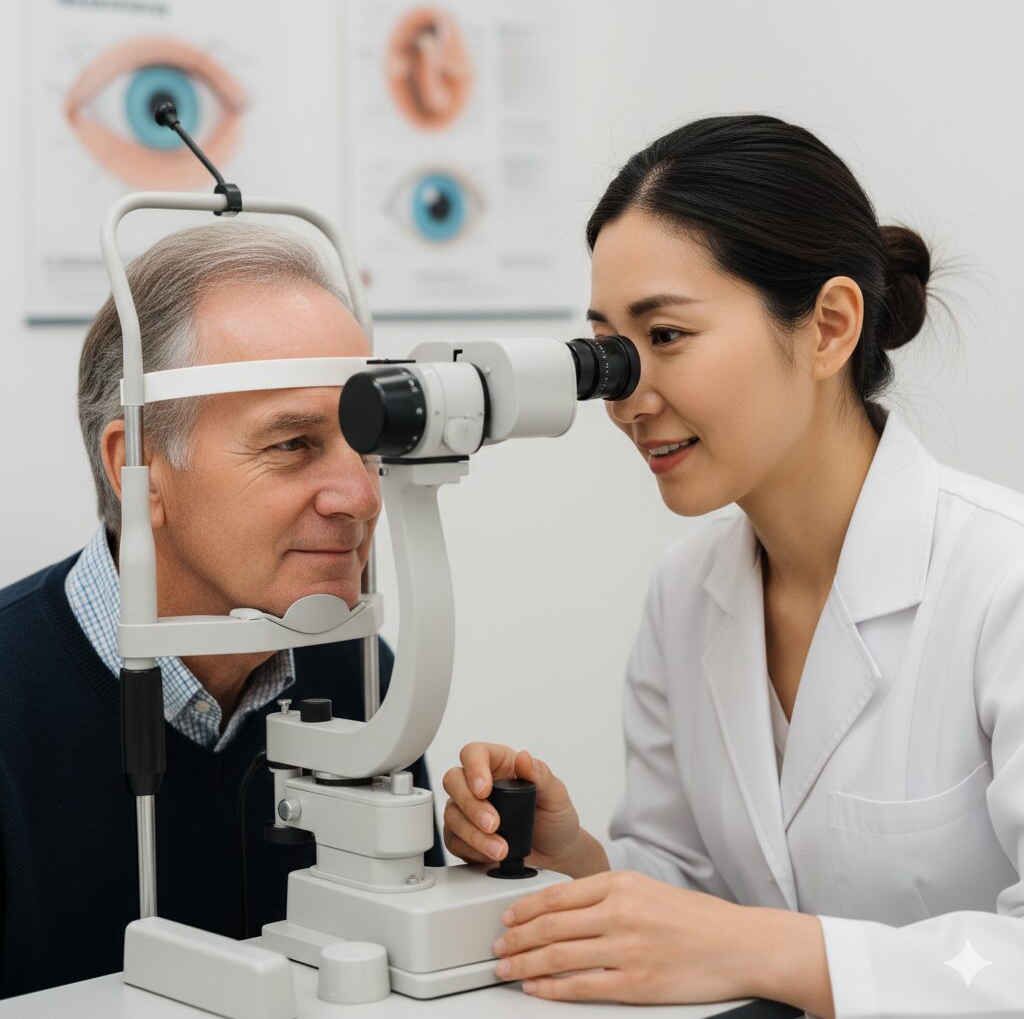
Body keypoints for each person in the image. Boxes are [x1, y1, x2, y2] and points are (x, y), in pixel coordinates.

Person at [442, 115, 1024, 1018]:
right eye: (610, 352)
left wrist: (770, 950)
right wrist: (577, 862)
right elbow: (693, 894)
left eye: (666, 335)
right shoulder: (686, 594)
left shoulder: (1002, 581)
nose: (628, 399)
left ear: (829, 327)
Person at [0, 223, 443, 999]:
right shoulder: (12, 696)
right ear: (138, 468)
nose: (362, 497)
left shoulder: (359, 675)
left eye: (364, 442)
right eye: (293, 444)